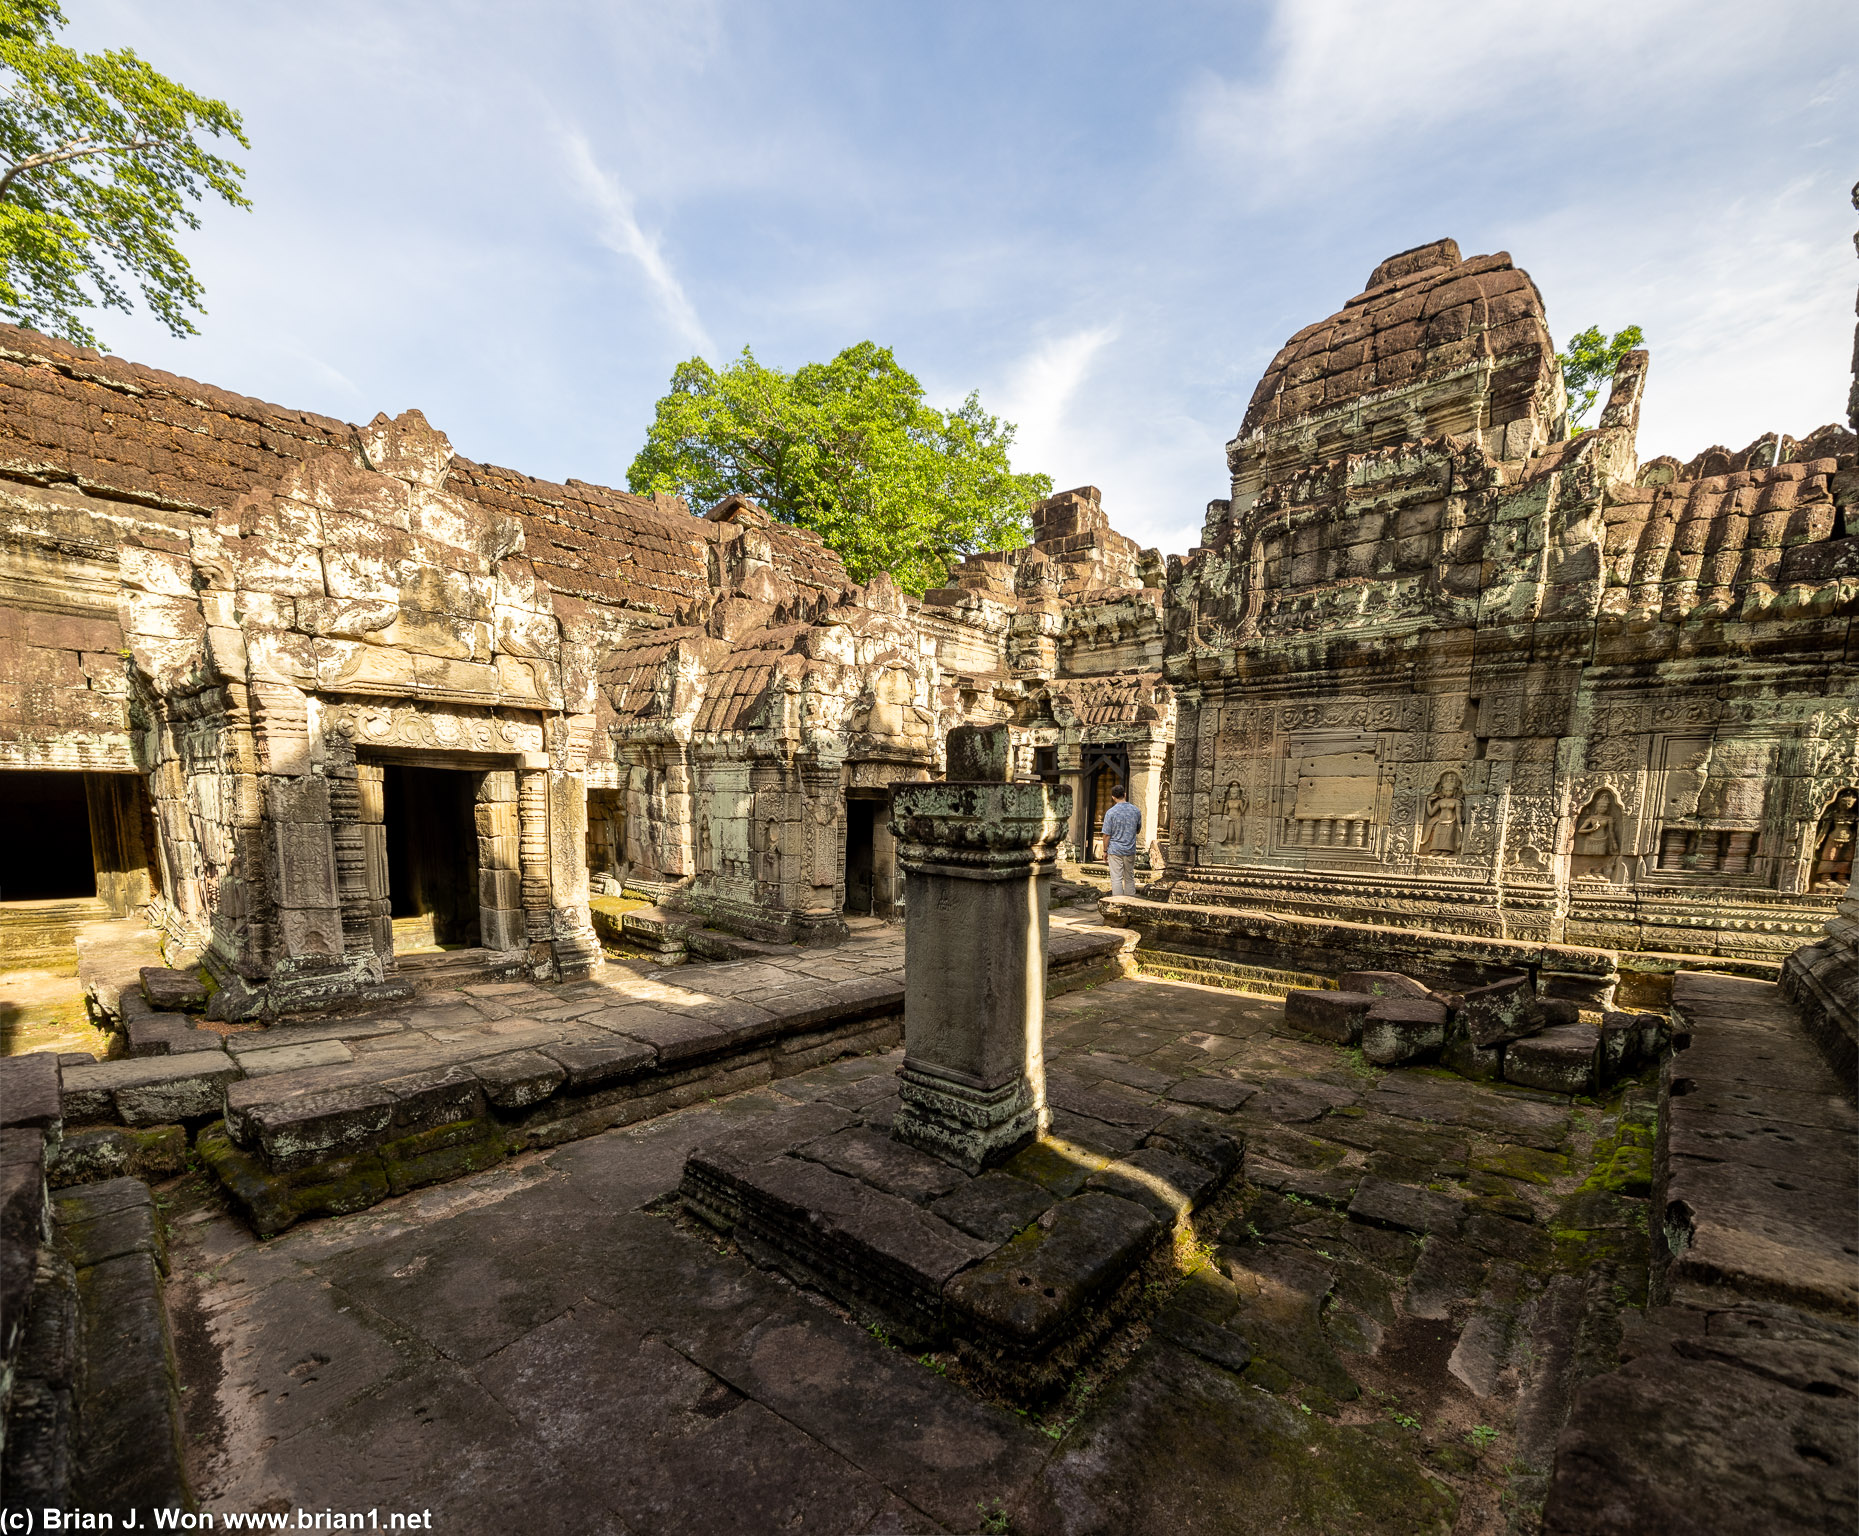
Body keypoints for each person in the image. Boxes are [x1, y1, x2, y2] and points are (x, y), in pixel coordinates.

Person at [1101, 783, 1143, 897]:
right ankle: (1130, 903)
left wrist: (1105, 851)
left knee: (1116, 879)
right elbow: (1138, 830)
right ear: (1125, 794)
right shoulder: (1136, 811)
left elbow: (1106, 835)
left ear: (1113, 797)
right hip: (1130, 849)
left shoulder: (1111, 813)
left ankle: (1118, 904)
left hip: (1115, 850)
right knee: (1129, 877)